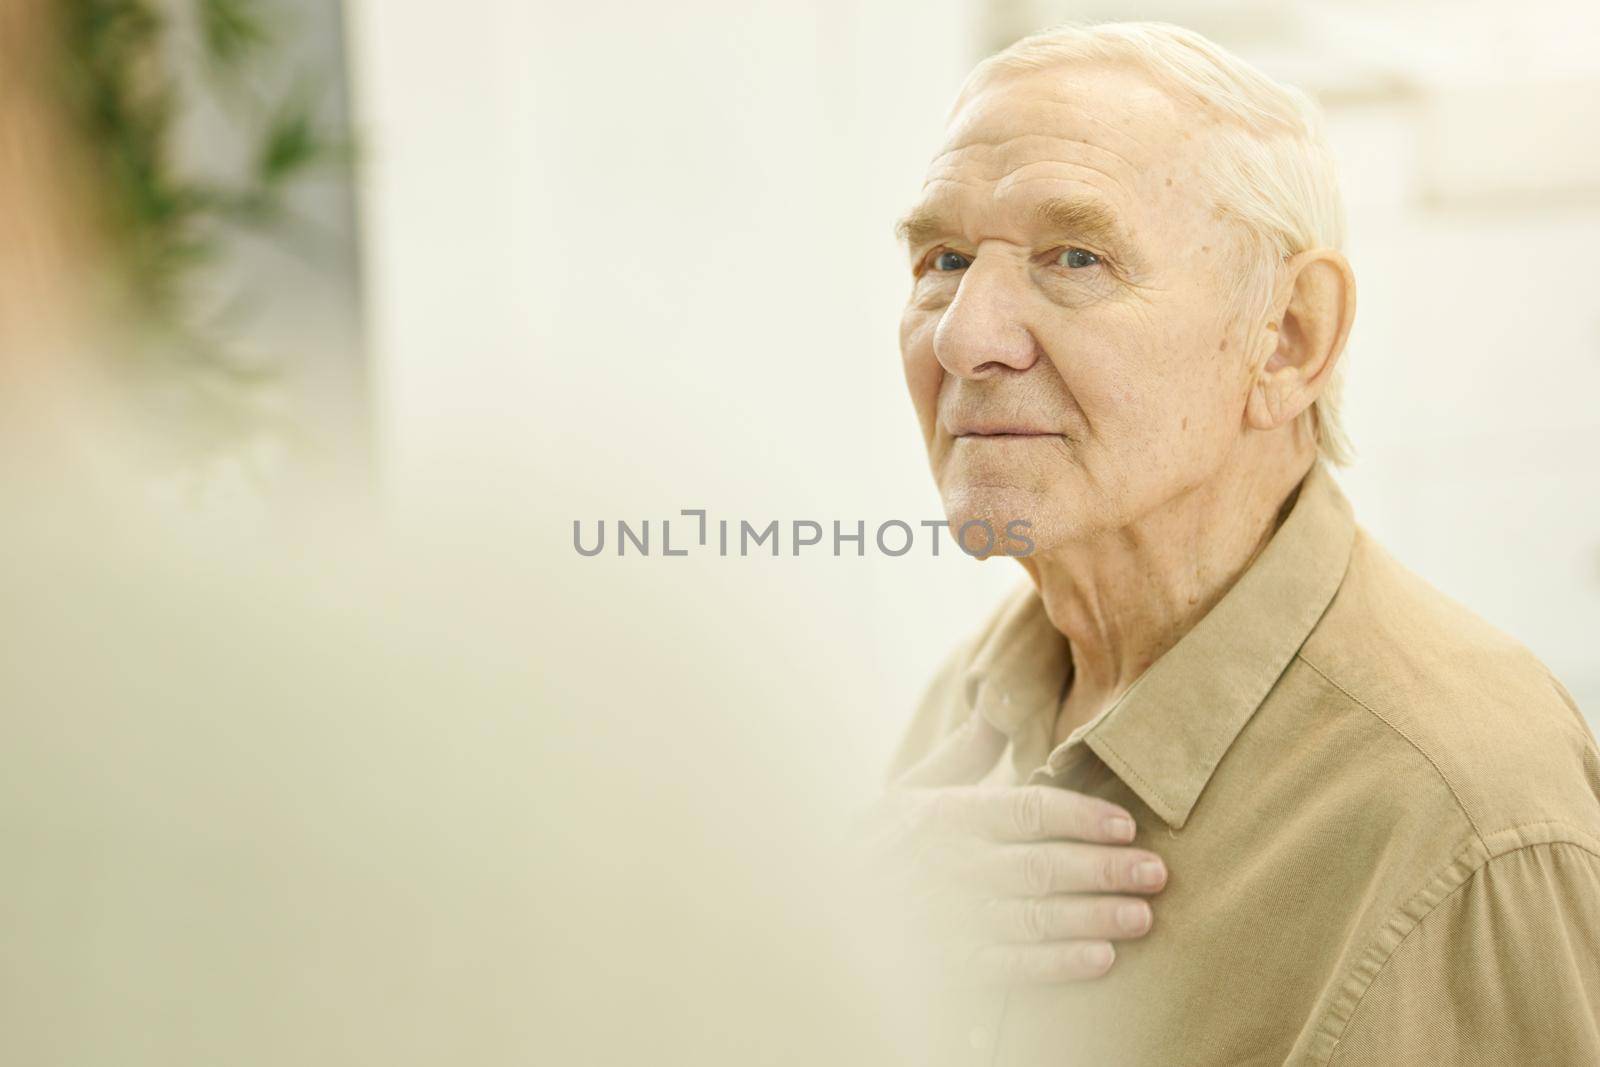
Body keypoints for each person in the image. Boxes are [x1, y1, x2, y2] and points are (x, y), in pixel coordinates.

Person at [874, 21, 1600, 1065]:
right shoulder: (975, 699)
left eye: (1074, 255)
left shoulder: (1469, 819)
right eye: (941, 259)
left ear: (1290, 336)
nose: (962, 333)